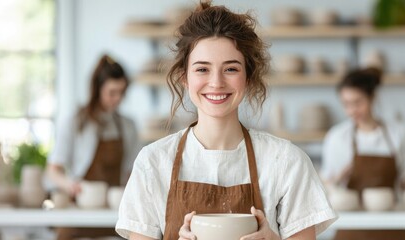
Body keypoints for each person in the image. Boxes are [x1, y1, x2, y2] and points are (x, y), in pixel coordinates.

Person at [116, 2, 337, 240]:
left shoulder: (286, 162)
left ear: (248, 77)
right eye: (202, 69)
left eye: (231, 69)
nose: (216, 83)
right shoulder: (153, 163)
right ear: (184, 77)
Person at [321, 68, 405, 240]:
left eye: (357, 102)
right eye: (346, 104)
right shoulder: (337, 137)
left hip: (392, 225)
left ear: (372, 98)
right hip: (351, 228)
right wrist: (340, 177)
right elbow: (327, 188)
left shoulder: (399, 134)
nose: (352, 110)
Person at [47, 54, 140, 240]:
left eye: (122, 92)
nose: (118, 99)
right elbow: (53, 170)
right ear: (97, 89)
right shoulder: (76, 122)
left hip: (114, 216)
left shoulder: (128, 126)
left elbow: (133, 173)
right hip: (79, 215)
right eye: (112, 92)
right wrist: (69, 185)